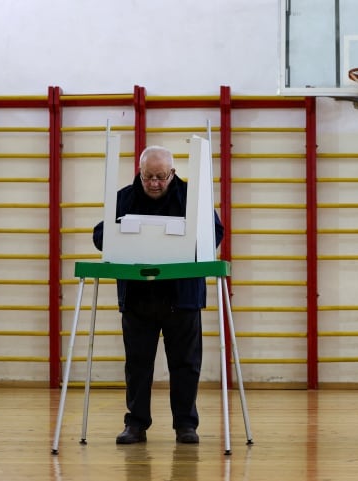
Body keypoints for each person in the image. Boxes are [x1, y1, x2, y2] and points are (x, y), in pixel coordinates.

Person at [92, 145, 224, 445]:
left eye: (161, 177)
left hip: (183, 296)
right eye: (148, 176)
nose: (154, 183)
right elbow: (100, 237)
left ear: (173, 173)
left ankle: (186, 425)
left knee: (186, 364)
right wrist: (121, 236)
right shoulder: (124, 197)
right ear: (139, 172)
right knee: (137, 364)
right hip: (138, 297)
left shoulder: (193, 198)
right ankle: (136, 424)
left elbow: (215, 233)